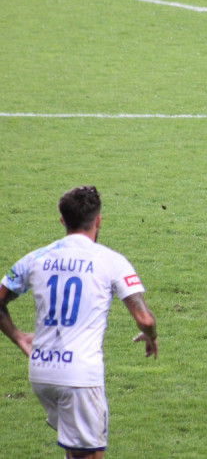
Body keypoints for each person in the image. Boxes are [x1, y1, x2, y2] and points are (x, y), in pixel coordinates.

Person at [0, 185, 158, 459]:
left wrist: (18, 337)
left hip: (41, 372)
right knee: (89, 455)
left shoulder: (35, 258)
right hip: (79, 376)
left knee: (76, 451)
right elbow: (144, 318)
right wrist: (151, 335)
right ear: (98, 220)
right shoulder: (111, 261)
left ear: (62, 220)